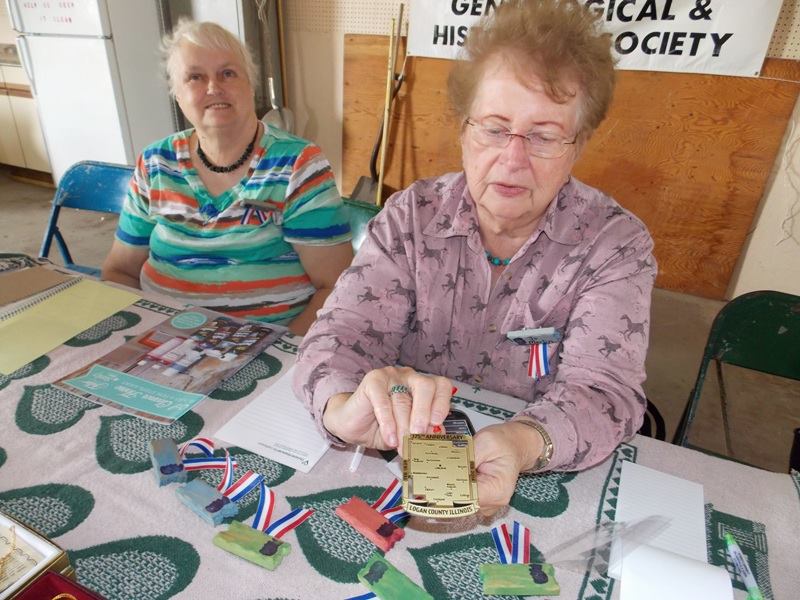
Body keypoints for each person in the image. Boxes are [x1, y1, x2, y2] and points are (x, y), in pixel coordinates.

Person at [293, 0, 657, 516]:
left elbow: (604, 393)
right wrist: (339, 408)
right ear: (463, 129)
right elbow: (340, 334)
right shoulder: (411, 216)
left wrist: (521, 442)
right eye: (494, 128)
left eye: (544, 136)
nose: (513, 159)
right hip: (398, 460)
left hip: (531, 468)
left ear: (578, 145)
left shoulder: (615, 245)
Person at [101, 20, 353, 335]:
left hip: (267, 345)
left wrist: (282, 350)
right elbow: (120, 271)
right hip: (163, 341)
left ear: (250, 85)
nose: (213, 87)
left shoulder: (298, 165)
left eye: (228, 73)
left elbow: (335, 288)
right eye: (195, 77)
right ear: (177, 94)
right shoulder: (156, 163)